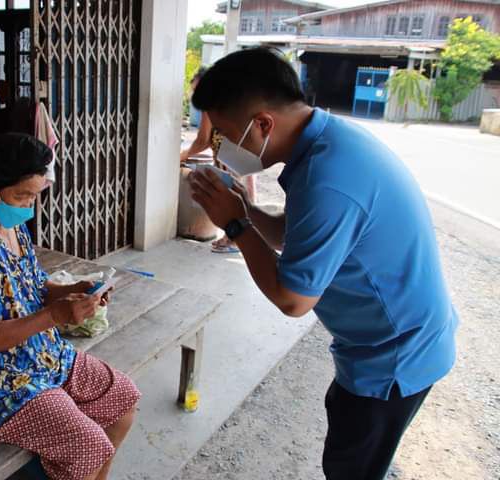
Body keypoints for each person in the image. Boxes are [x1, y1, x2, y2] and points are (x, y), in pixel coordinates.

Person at [189, 47, 457, 480]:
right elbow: (291, 233)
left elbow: (293, 300)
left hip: (393, 356)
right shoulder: (325, 142)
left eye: (224, 133)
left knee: (351, 467)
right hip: (384, 341)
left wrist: (235, 225)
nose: (219, 145)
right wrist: (243, 207)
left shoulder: (328, 177)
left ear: (262, 124)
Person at [0, 133, 140, 480]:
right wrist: (55, 315)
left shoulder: (8, 223)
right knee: (88, 447)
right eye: (23, 196)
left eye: (35, 195)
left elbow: (33, 287)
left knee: (123, 401)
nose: (29, 206)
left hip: (37, 354)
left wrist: (74, 291)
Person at [180, 66, 256, 254]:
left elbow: (203, 140)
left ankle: (235, 240)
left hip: (229, 154)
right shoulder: (230, 100)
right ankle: (238, 238)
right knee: (243, 196)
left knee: (232, 197)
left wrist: (181, 155)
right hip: (239, 152)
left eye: (197, 89)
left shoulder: (211, 104)